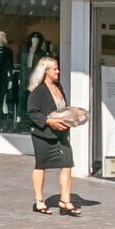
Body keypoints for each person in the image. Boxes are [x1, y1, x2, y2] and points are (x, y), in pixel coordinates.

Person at [26, 56, 79, 216]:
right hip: (43, 134)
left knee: (67, 162)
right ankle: (38, 201)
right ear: (45, 71)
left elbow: (62, 109)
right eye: (54, 69)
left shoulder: (58, 86)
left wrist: (71, 118)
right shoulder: (38, 91)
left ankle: (65, 200)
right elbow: (32, 113)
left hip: (60, 133)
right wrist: (49, 122)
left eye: (57, 68)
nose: (58, 71)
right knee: (41, 165)